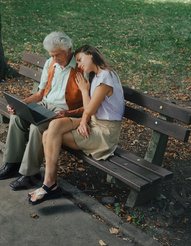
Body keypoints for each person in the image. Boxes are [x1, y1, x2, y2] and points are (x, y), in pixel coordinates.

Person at [28, 44, 125, 205]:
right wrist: (84, 119)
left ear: (91, 54)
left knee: (48, 135)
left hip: (104, 133)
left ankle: (49, 185)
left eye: (80, 60)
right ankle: (50, 184)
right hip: (94, 123)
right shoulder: (97, 75)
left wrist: (83, 91)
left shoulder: (106, 78)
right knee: (55, 127)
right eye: (77, 61)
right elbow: (90, 111)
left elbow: (90, 109)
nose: (78, 65)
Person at [0, 31, 84, 191]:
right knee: (16, 117)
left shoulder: (81, 67)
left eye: (58, 55)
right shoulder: (51, 63)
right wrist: (20, 104)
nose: (55, 59)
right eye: (52, 55)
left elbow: (90, 104)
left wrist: (71, 114)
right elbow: (40, 94)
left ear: (69, 49)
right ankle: (13, 163)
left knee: (37, 127)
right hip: (44, 104)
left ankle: (30, 174)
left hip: (64, 112)